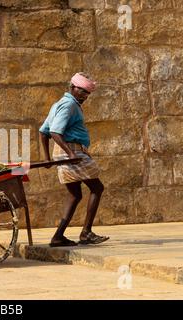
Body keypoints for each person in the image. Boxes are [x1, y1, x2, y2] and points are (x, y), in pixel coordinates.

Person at [39, 72, 109, 247]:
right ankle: (86, 233)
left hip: (69, 152)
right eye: (82, 91)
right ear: (72, 87)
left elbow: (43, 131)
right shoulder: (69, 105)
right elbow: (54, 132)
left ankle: (58, 236)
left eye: (87, 93)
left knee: (75, 194)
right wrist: (71, 153)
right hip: (71, 153)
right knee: (97, 188)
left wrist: (48, 158)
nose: (85, 96)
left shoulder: (60, 104)